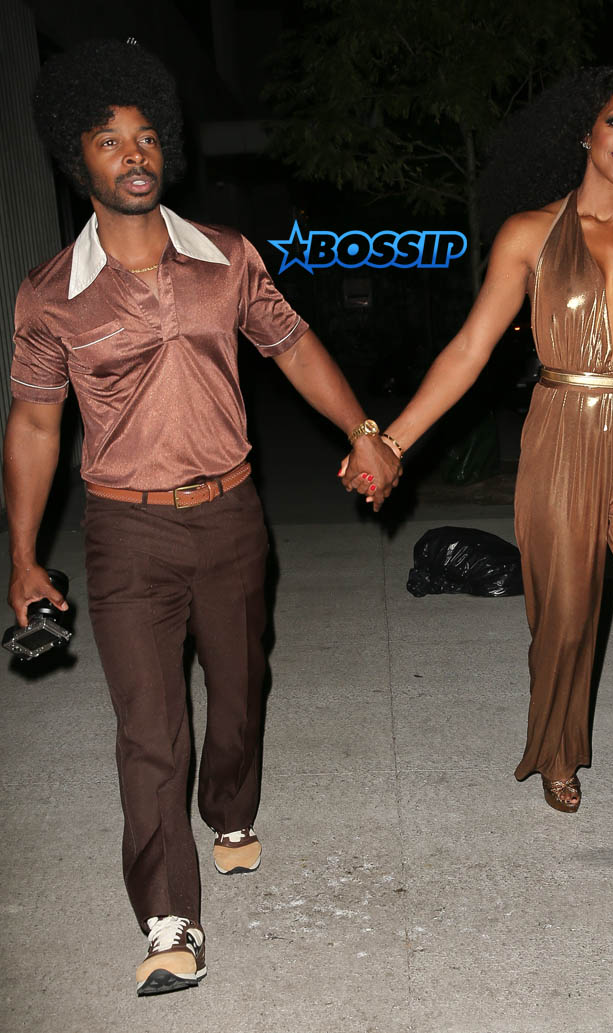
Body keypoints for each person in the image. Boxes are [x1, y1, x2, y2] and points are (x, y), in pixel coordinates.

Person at [3, 38, 400, 996]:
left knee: (239, 684)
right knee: (149, 728)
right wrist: (22, 556)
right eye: (109, 141)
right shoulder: (51, 294)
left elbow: (292, 345)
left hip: (229, 515)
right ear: (77, 159)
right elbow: (35, 425)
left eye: (146, 137)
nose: (133, 154)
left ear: (166, 148)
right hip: (125, 530)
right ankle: (168, 914)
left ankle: (231, 805)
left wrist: (363, 431)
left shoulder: (227, 257)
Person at [342, 66, 613, 921]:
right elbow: (470, 349)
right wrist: (392, 441)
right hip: (563, 432)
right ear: (585, 131)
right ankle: (558, 746)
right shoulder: (531, 233)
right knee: (563, 622)